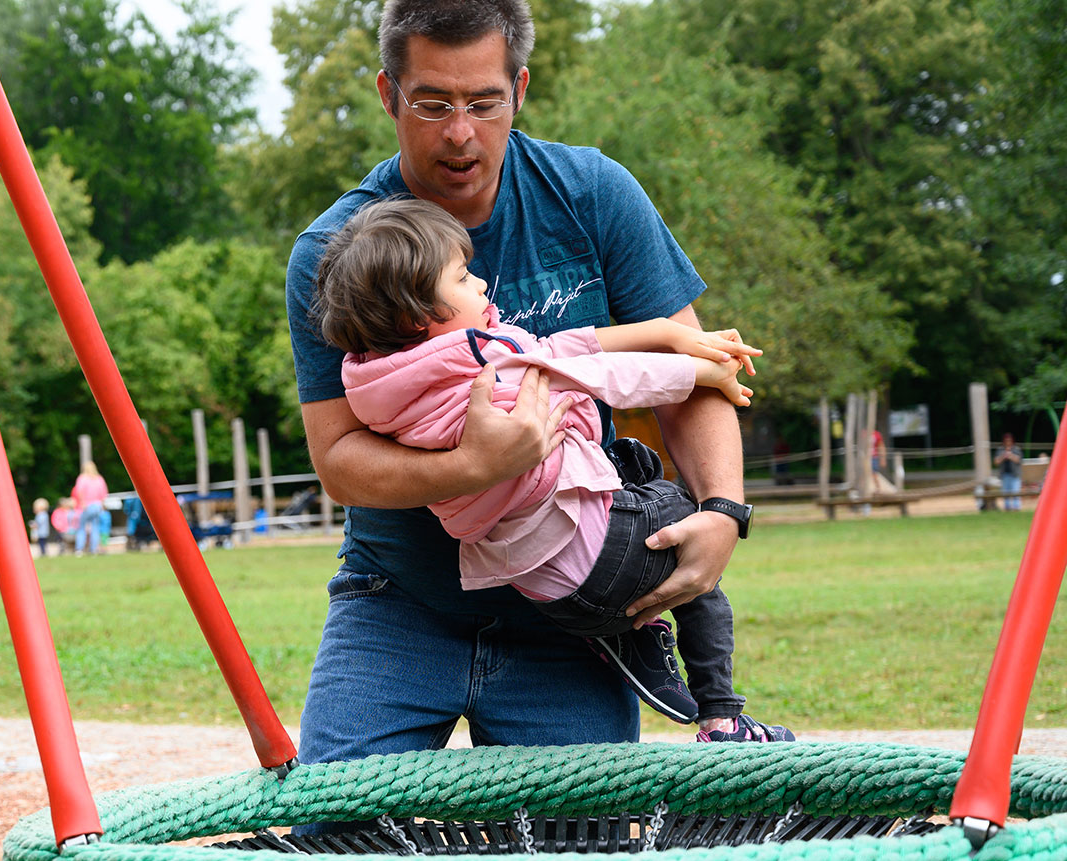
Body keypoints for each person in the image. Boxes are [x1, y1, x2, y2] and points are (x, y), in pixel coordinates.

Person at [285, 0, 757, 780]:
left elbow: (692, 372)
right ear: (387, 93)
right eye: (432, 103)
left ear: (521, 90)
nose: (460, 132)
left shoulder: (592, 193)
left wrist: (722, 514)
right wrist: (473, 467)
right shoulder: (339, 252)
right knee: (335, 844)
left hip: (572, 612)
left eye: (484, 103)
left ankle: (720, 711)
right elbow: (338, 459)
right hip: (401, 600)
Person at [318, 197, 792, 740]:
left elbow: (553, 348)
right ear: (419, 316)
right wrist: (696, 373)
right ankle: (721, 716)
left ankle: (626, 636)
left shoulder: (389, 384)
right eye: (464, 277)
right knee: (685, 532)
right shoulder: (488, 374)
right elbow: (599, 374)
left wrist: (662, 330)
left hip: (549, 593)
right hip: (603, 556)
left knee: (629, 471)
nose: (481, 286)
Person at [71, 460, 109, 555]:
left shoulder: (82, 478)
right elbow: (104, 494)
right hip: (97, 506)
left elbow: (79, 491)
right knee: (95, 527)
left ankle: (79, 549)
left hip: (87, 506)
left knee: (82, 527)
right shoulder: (99, 479)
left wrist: (82, 503)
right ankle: (94, 549)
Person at [997, 433, 1024, 511]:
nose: (1007, 442)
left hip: (1015, 474)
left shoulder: (1016, 449)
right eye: (1006, 441)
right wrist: (1003, 456)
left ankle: (1016, 508)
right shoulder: (1000, 450)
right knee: (1005, 493)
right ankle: (1007, 508)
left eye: (1009, 440)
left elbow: (1019, 460)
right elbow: (996, 461)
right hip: (1004, 475)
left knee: (1015, 492)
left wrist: (1010, 455)